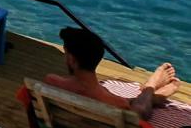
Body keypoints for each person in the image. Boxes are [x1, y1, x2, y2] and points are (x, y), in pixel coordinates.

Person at [45, 27, 178, 119]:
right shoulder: (116, 103)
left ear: (72, 60)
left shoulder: (52, 82)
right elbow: (139, 118)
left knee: (131, 103)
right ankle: (150, 88)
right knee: (140, 110)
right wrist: (150, 88)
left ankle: (153, 95)